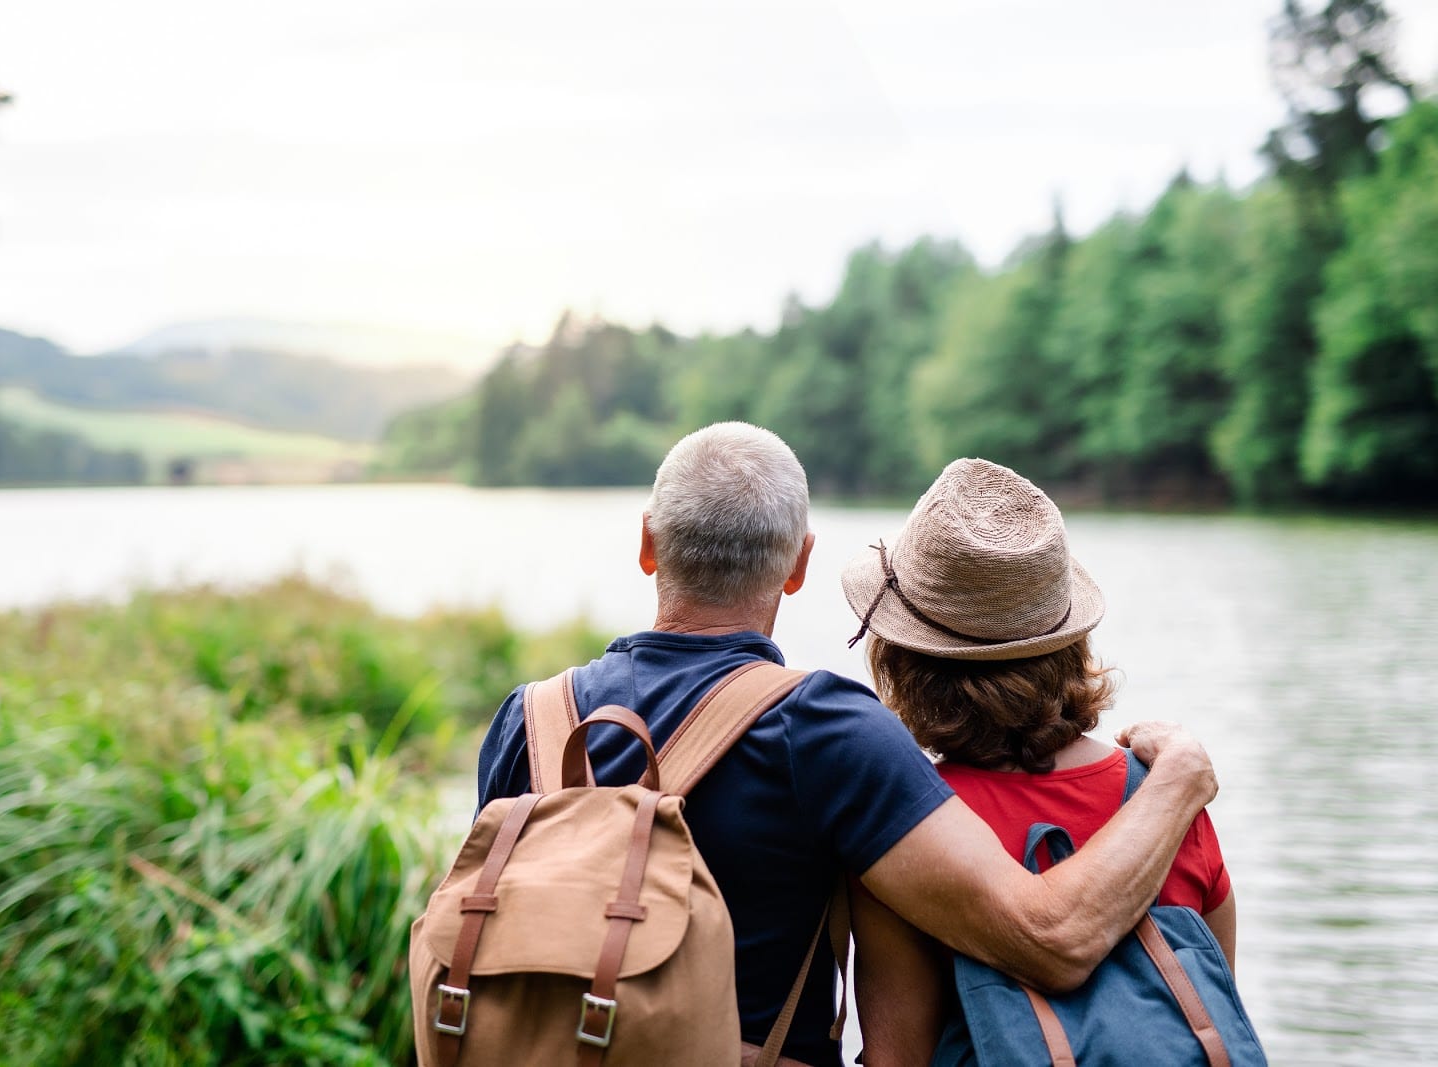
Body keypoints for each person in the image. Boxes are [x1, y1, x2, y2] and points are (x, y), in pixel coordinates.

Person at [476, 423, 1218, 1067]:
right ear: (799, 565)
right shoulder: (825, 728)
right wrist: (1178, 778)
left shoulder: (529, 719)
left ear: (646, 544)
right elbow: (1049, 937)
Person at [840, 456, 1236, 1065]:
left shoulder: (910, 826)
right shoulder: (1164, 799)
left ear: (904, 659)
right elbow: (1214, 1013)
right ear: (1068, 643)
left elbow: (899, 1056)